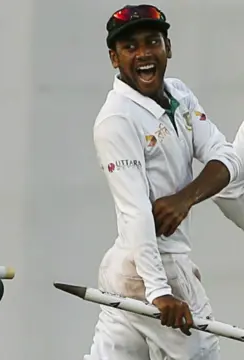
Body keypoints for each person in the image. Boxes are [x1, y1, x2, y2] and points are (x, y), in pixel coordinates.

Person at [85, 5, 243, 359]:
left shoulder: (180, 95)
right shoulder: (116, 120)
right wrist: (159, 292)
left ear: (167, 47)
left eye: (152, 42)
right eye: (129, 47)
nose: (143, 54)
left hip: (129, 270)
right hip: (152, 269)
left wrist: (186, 198)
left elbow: (227, 157)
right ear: (114, 58)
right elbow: (135, 211)